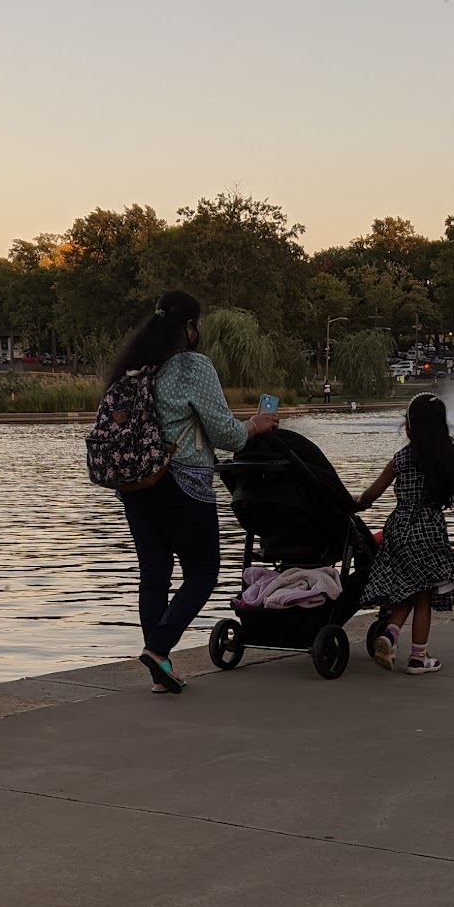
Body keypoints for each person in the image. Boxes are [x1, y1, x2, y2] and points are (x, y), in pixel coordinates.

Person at [107, 289, 278, 693]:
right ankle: (158, 649)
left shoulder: (134, 368)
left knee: (155, 572)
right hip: (182, 482)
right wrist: (254, 424)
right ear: (189, 326)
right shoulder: (190, 366)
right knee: (202, 572)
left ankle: (160, 667)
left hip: (135, 483)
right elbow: (226, 433)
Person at [356, 392, 454, 673]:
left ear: (410, 426)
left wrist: (354, 503)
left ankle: (391, 633)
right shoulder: (447, 457)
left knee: (409, 587)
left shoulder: (400, 459)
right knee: (424, 595)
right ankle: (419, 657)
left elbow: (372, 494)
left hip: (398, 529)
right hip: (428, 530)